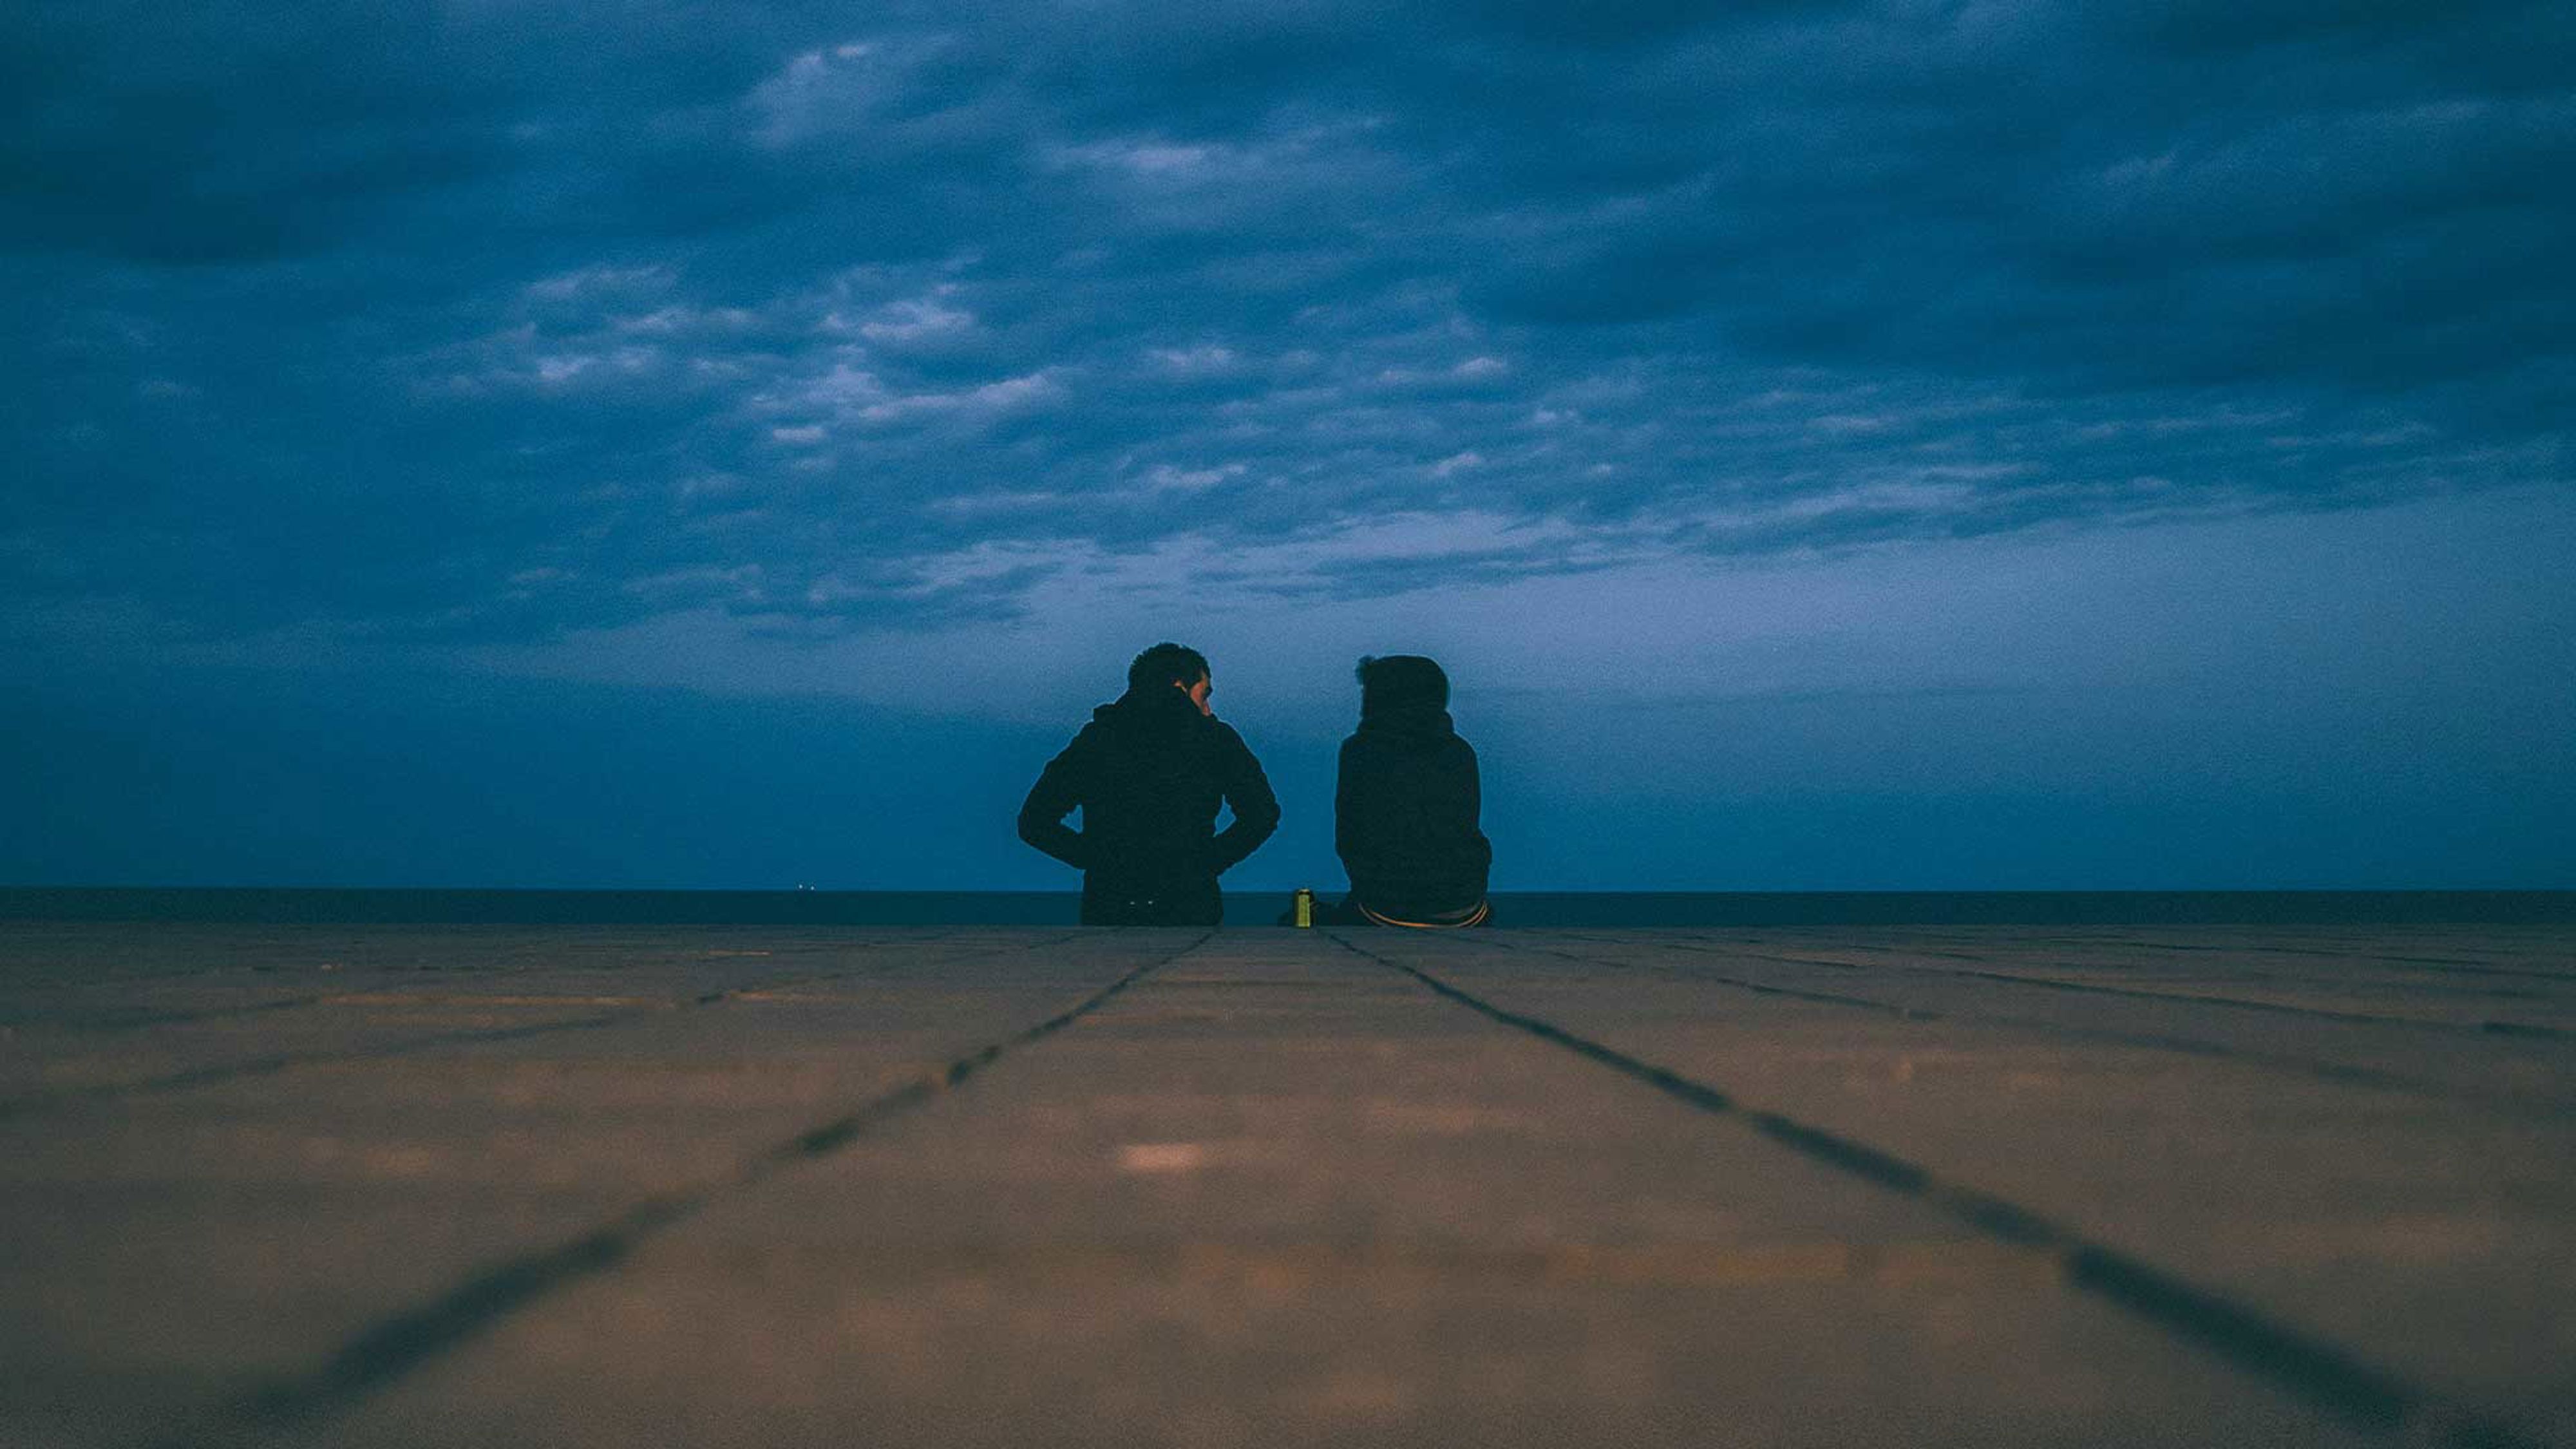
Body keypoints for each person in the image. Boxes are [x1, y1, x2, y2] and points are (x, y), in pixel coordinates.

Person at [1018, 642, 1281, 925]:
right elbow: (1262, 814)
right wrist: (1204, 864)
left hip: (1110, 906)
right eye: (1204, 695)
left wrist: (1099, 859)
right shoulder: (1215, 739)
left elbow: (1034, 821)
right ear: (1180, 686)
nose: (1208, 709)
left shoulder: (1098, 739)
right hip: (1190, 905)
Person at [1332, 654, 1493, 927]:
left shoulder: (1361, 751)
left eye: (1368, 693)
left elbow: (1351, 833)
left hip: (1389, 904)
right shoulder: (1461, 752)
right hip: (1466, 903)